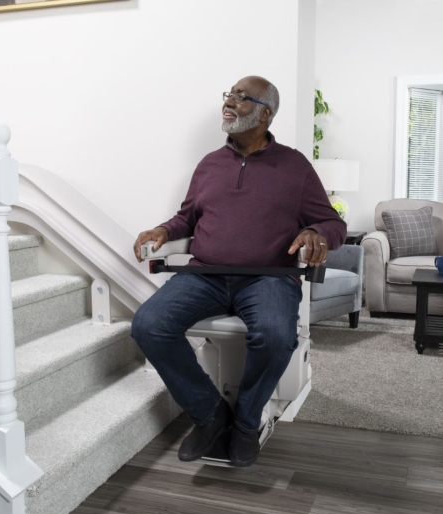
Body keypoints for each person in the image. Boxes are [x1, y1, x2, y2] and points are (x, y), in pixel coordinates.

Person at [131, 75, 346, 467]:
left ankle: (246, 421)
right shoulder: (210, 164)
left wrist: (316, 232)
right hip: (205, 275)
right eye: (228, 94)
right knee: (148, 324)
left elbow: (334, 224)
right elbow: (187, 218)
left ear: (265, 114)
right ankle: (210, 415)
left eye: (241, 97)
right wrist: (163, 229)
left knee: (277, 335)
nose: (229, 102)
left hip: (268, 277)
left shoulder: (294, 166)